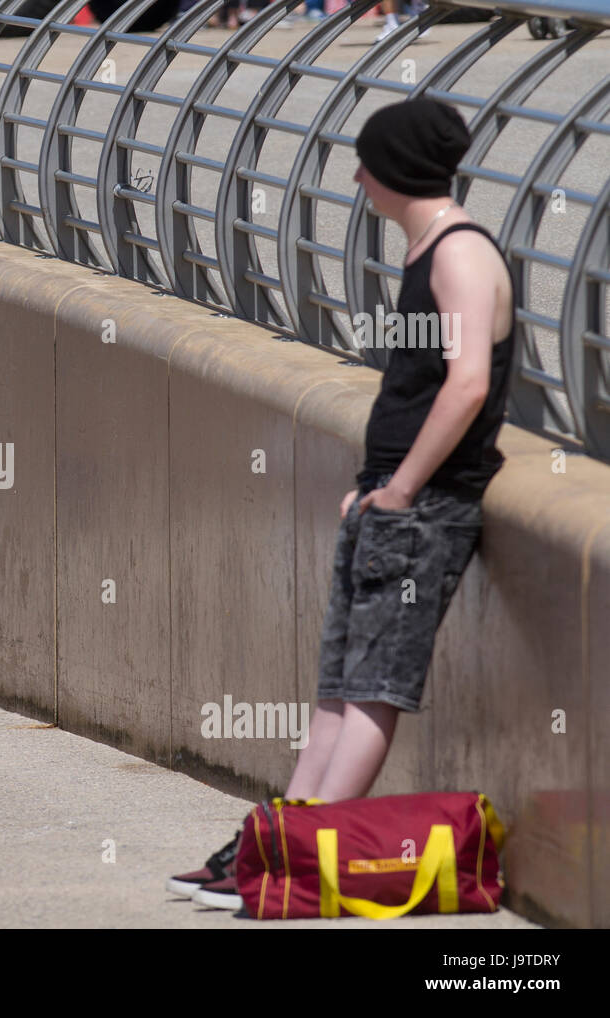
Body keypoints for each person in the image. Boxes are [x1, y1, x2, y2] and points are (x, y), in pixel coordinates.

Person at [168, 98, 515, 910]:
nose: (356, 177)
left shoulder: (462, 255)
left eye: (365, 163)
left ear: (393, 169)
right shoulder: (429, 246)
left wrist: (400, 488)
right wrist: (378, 488)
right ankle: (277, 838)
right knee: (338, 686)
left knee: (373, 690)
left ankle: (302, 853)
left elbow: (466, 384)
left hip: (424, 507)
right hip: (390, 503)